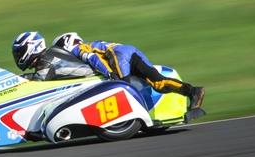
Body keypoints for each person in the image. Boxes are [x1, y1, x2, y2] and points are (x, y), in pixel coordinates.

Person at [53, 32, 206, 110]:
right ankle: (193, 91)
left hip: (119, 54)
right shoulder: (90, 43)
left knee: (121, 87)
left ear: (65, 43)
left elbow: (94, 59)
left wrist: (108, 73)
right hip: (132, 52)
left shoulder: (77, 48)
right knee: (159, 83)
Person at [12, 31, 95, 81]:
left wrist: (17, 79)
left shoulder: (46, 58)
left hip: (90, 80)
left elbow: (39, 79)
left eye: (20, 52)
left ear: (32, 47)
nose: (18, 56)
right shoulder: (46, 57)